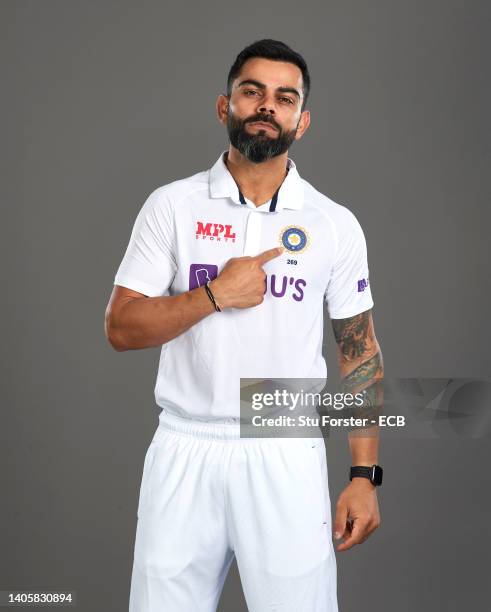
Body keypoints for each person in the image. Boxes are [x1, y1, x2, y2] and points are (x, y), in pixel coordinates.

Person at [105, 38, 384, 612]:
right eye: (251, 91)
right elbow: (121, 327)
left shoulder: (333, 223)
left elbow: (358, 352)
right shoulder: (172, 206)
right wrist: (213, 295)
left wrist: (364, 474)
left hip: (281, 441)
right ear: (223, 106)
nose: (266, 106)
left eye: (284, 98)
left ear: (301, 121)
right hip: (186, 440)